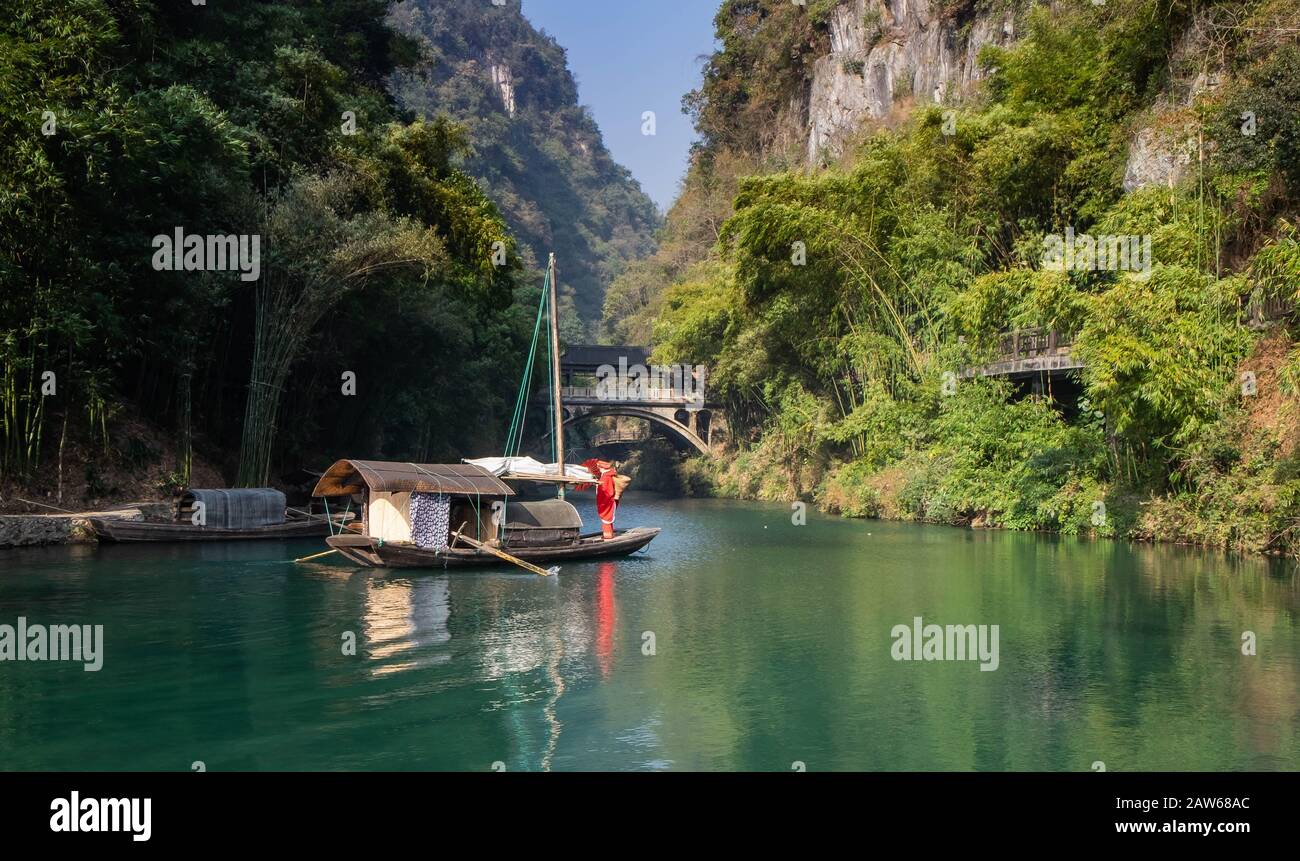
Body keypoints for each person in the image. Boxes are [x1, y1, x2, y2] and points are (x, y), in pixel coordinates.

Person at [582, 459, 620, 540]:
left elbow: (608, 491)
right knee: (606, 519)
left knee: (606, 518)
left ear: (603, 468)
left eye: (599, 468)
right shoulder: (605, 476)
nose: (599, 469)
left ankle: (608, 535)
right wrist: (597, 484)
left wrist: (599, 486)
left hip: (607, 501)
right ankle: (609, 534)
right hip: (606, 500)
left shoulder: (606, 476)